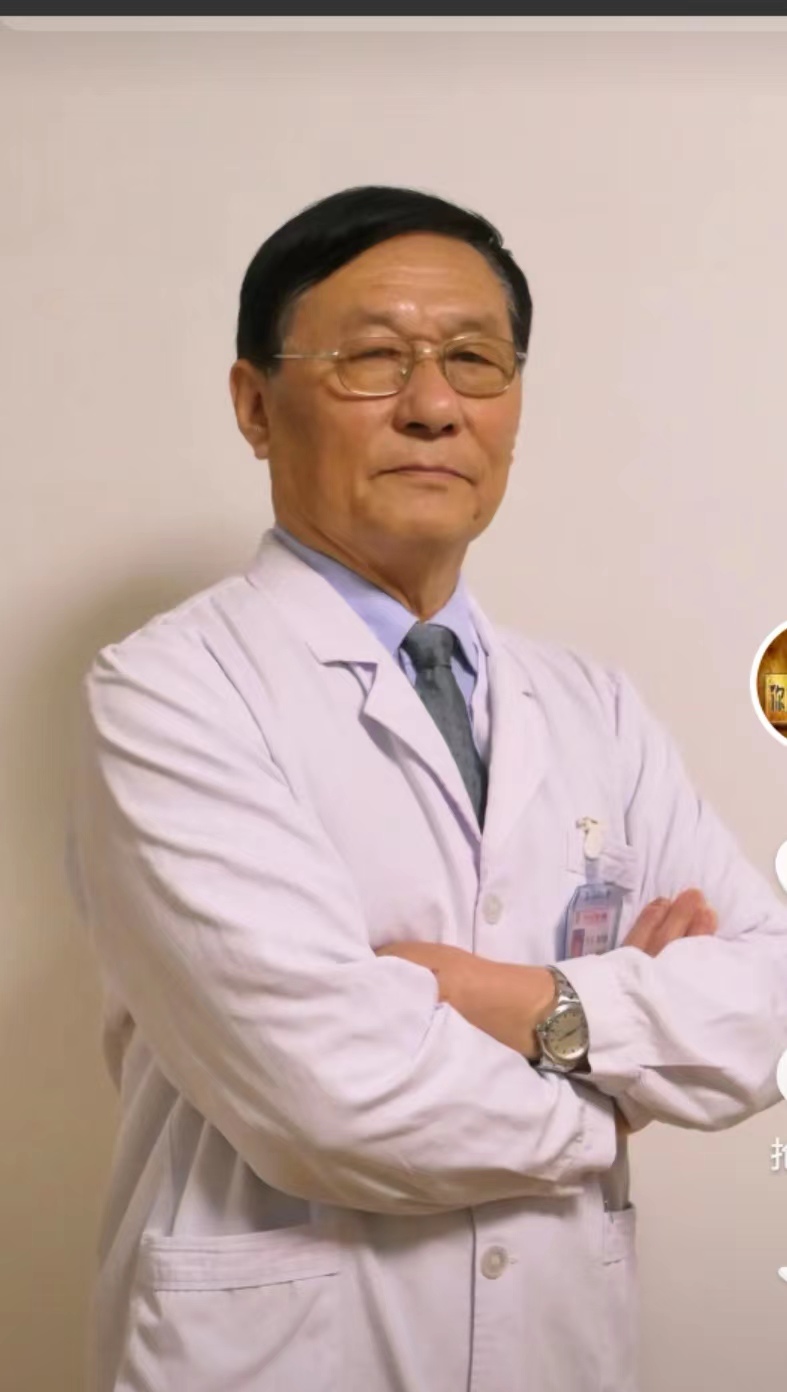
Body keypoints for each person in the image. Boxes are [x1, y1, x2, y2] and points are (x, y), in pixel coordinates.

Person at [65, 184, 787, 1392]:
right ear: (255, 405)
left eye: (474, 360)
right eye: (372, 359)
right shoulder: (169, 692)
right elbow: (333, 1099)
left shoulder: (592, 706)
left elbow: (768, 1004)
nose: (434, 406)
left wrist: (517, 1001)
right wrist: (618, 1096)